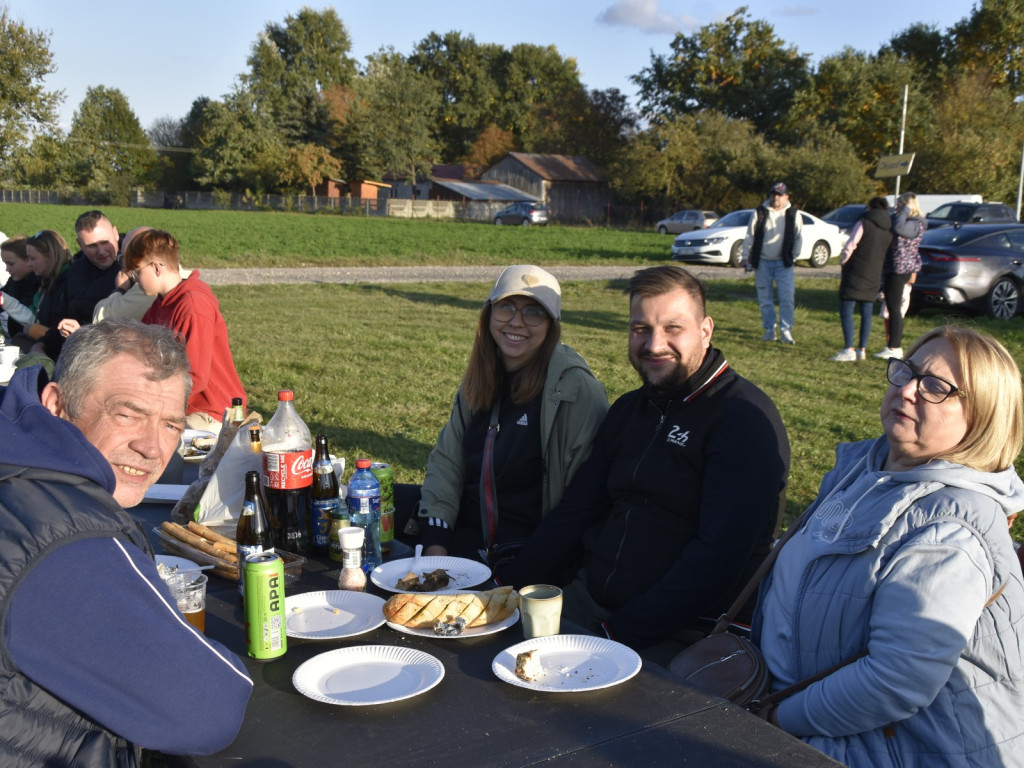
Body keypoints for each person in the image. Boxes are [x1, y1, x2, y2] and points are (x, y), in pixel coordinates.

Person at [753, 325, 1024, 767]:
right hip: (802, 710)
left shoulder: (949, 529)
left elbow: (894, 680)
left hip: (892, 747)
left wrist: (775, 717)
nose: (910, 389)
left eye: (936, 386)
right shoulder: (865, 472)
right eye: (908, 371)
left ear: (984, 417)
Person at [498, 265, 790, 661]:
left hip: (685, 629)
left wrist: (615, 634)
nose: (654, 344)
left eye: (673, 328)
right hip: (591, 602)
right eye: (640, 329)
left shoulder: (741, 421)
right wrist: (502, 586)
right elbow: (577, 509)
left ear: (705, 330)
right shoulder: (630, 410)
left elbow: (717, 560)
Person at [0, 319, 253, 764]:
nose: (153, 448)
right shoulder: (62, 538)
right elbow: (208, 708)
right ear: (57, 404)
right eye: (127, 413)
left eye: (171, 424)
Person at [408, 264, 609, 560]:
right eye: (506, 307)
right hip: (468, 534)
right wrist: (435, 546)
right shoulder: (480, 379)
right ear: (489, 313)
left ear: (551, 325)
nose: (516, 322)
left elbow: (582, 502)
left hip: (530, 551)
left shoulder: (576, 390)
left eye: (534, 312)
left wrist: (527, 566)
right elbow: (447, 463)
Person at [124, 228, 246, 432]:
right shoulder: (161, 303)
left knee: (153, 443)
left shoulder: (193, 305)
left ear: (156, 268)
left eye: (136, 272)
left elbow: (193, 378)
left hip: (212, 413)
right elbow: (140, 347)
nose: (135, 279)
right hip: (180, 406)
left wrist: (148, 398)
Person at [740, 182, 803, 344]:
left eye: (779, 195)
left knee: (787, 297)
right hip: (762, 261)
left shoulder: (793, 214)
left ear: (786, 197)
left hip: (784, 262)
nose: (776, 197)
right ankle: (769, 329)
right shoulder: (760, 212)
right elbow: (750, 235)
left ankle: (786, 330)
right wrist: (745, 256)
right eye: (773, 194)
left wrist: (794, 256)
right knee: (765, 297)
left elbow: (798, 236)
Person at [831, 197, 892, 362]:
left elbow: (850, 245)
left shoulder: (864, 222)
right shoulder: (889, 229)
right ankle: (861, 349)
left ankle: (848, 348)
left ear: (871, 207)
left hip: (856, 271)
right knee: (866, 312)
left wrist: (844, 262)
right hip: (875, 273)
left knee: (847, 309)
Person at [50, 210, 123, 344]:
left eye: (105, 242)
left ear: (115, 233)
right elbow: (61, 315)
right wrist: (42, 344)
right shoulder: (75, 271)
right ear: (80, 245)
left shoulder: (135, 268)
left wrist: (82, 333)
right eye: (92, 246)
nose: (101, 251)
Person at [875, 193, 926, 360]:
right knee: (891, 305)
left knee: (894, 308)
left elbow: (898, 228)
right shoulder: (906, 220)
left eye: (900, 205)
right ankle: (891, 345)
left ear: (908, 205)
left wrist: (904, 211)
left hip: (901, 268)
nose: (897, 209)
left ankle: (895, 346)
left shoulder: (914, 224)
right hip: (894, 267)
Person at [15, 229, 72, 357]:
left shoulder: (68, 283)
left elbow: (63, 329)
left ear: (50, 255)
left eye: (32, 258)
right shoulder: (46, 282)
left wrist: (34, 330)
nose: (29, 264)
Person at [1, 234, 40, 339]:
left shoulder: (38, 284)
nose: (7, 269)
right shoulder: (14, 281)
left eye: (11, 264)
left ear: (28, 260)